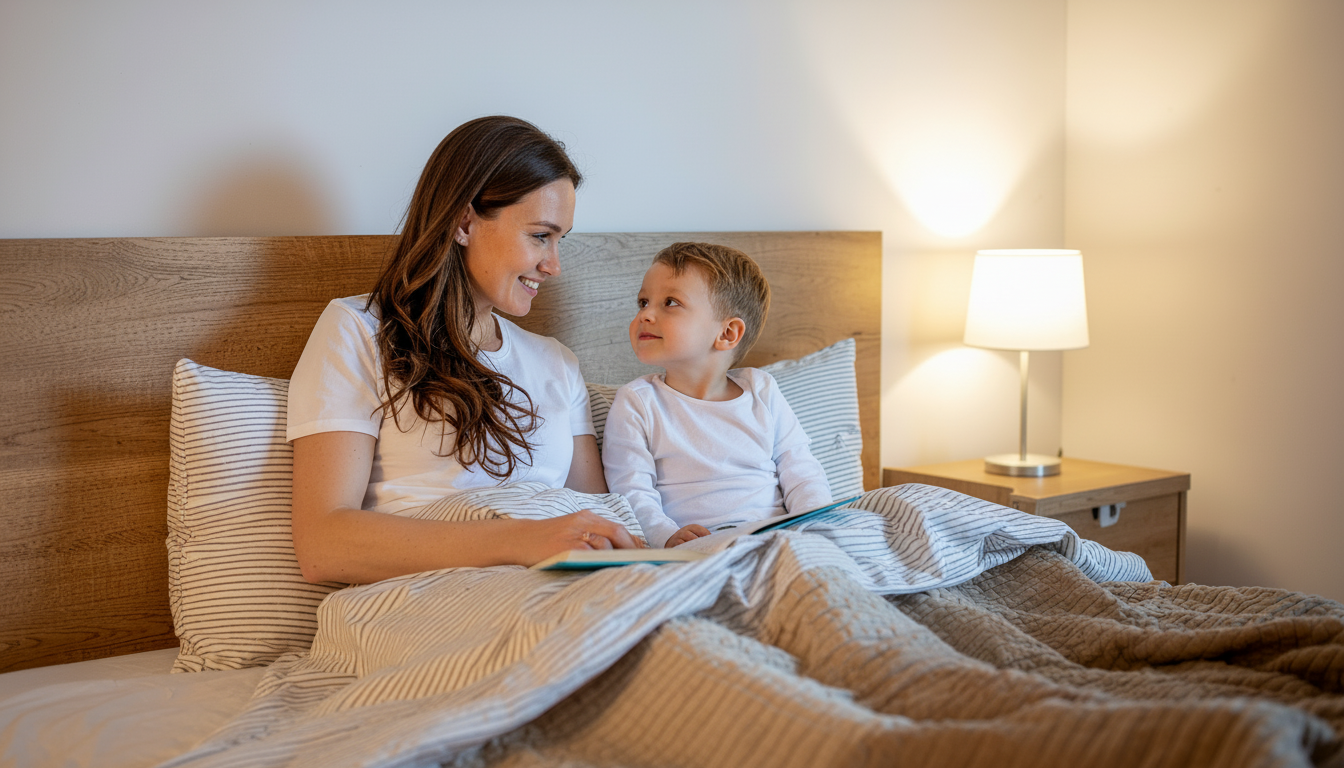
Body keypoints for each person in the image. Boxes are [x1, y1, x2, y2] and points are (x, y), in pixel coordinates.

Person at [287, 116, 641, 585]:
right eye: (540, 236)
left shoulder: (556, 362)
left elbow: (595, 519)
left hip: (561, 591)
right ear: (464, 222)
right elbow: (323, 545)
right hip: (432, 596)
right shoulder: (358, 330)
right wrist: (520, 540)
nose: (554, 265)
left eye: (561, 240)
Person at [601, 242, 834, 548]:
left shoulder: (761, 389)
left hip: (778, 536)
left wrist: (815, 526)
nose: (645, 314)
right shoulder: (638, 402)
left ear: (727, 334)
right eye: (643, 302)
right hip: (700, 544)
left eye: (670, 302)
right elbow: (630, 490)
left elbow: (801, 470)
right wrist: (665, 535)